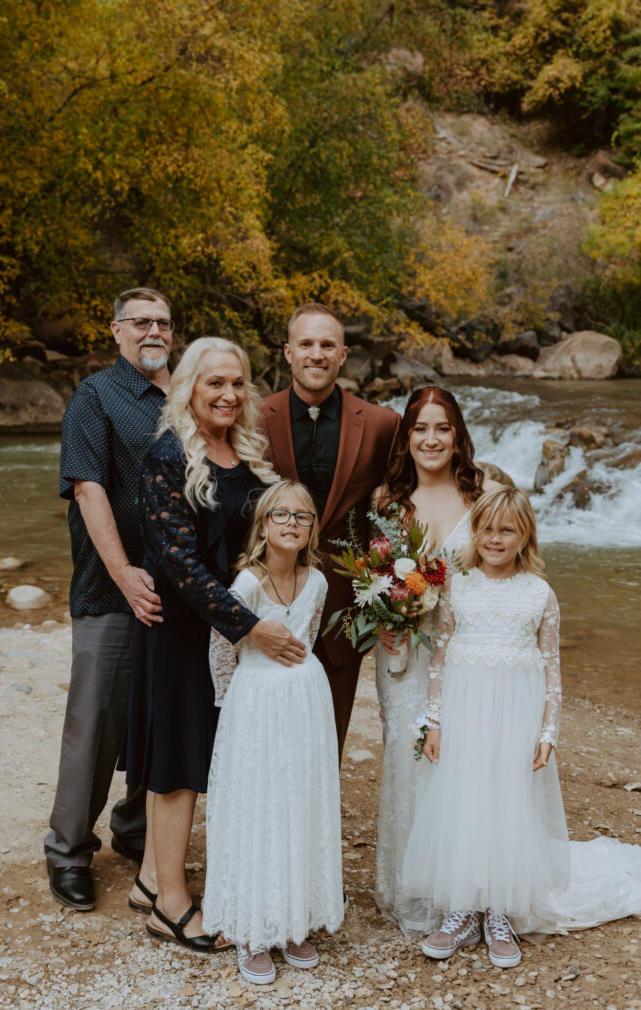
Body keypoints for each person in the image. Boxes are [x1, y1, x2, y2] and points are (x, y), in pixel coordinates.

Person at [120, 337, 306, 952]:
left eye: (237, 384)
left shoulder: (249, 454)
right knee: (177, 764)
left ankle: (152, 879)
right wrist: (252, 627)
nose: (227, 395)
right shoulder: (166, 456)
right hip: (179, 631)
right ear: (189, 389)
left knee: (198, 753)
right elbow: (178, 565)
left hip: (225, 632)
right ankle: (170, 908)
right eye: (214, 384)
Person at [404, 486, 641, 967]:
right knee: (466, 799)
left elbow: (552, 668)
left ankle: (500, 910)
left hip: (516, 714)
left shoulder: (539, 593)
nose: (495, 538)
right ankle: (463, 908)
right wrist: (434, 723)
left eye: (506, 530)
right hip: (465, 710)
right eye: (487, 529)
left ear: (524, 535)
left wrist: (547, 732)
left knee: (507, 802)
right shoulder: (459, 584)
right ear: (476, 532)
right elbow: (440, 657)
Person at [45, 287, 174, 912]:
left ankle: (135, 828)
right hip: (111, 589)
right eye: (141, 322)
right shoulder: (94, 396)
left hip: (182, 592)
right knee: (95, 724)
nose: (154, 331)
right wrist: (123, 573)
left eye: (164, 323)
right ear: (116, 330)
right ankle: (68, 851)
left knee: (164, 716)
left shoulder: (193, 394)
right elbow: (90, 492)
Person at [203, 480, 343, 984]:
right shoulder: (247, 584)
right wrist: (231, 706)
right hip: (256, 701)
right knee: (259, 804)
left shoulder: (319, 582)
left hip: (305, 701)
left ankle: (292, 919)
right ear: (263, 525)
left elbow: (308, 633)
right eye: (281, 515)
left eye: (302, 517)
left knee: (297, 801)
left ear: (312, 529)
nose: (291, 524)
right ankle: (251, 928)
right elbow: (222, 647)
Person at [373, 386, 500, 936]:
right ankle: (416, 890)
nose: (430, 439)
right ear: (406, 436)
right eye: (420, 428)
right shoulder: (386, 502)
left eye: (442, 428)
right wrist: (388, 616)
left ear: (457, 435)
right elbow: (374, 578)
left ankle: (467, 890)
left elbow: (511, 567)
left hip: (469, 651)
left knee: (464, 761)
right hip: (403, 653)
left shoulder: (485, 493)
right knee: (409, 756)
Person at [260, 303, 400, 762]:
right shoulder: (255, 418)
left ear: (342, 354)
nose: (315, 354)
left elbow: (402, 506)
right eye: (306, 344)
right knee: (262, 730)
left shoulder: (382, 425)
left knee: (326, 738)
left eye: (326, 345)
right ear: (288, 352)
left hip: (344, 608)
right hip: (267, 603)